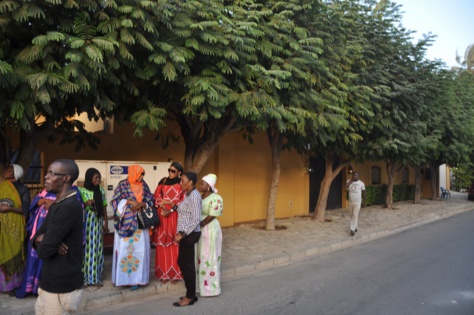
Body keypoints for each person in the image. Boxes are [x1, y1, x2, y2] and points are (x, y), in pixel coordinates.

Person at [32, 159, 84, 314]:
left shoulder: (68, 207)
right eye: (47, 172)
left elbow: (44, 251)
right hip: (50, 284)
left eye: (51, 173)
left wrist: (46, 240)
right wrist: (43, 239)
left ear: (66, 179)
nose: (46, 177)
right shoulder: (58, 204)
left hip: (62, 288)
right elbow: (34, 238)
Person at [111, 165, 155, 289]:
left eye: (143, 174)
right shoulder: (123, 185)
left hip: (141, 225)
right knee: (125, 250)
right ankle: (124, 280)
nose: (142, 177)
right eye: (141, 174)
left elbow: (152, 201)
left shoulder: (144, 186)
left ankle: (137, 280)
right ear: (134, 173)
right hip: (126, 224)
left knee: (140, 252)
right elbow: (115, 202)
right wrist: (129, 202)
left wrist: (143, 204)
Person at [15, 189, 56, 299]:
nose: (48, 178)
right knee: (34, 257)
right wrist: (42, 201)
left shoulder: (69, 190)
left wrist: (52, 203)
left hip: (53, 228)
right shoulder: (45, 192)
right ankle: (30, 287)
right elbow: (33, 205)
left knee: (47, 259)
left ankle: (42, 288)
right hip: (38, 228)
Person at [153, 162, 185, 284]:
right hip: (162, 216)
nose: (170, 173)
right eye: (169, 170)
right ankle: (163, 274)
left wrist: (171, 208)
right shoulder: (163, 181)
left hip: (175, 216)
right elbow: (156, 196)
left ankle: (175, 273)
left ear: (179, 173)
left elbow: (182, 201)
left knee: (174, 244)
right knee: (162, 245)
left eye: (173, 171)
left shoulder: (181, 184)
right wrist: (162, 204)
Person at [173, 172, 201, 307]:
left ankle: (190, 297)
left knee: (187, 265)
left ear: (190, 182)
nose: (180, 183)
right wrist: (171, 206)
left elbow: (196, 219)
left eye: (182, 180)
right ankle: (191, 293)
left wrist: (182, 235)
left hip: (190, 234)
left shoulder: (195, 196)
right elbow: (182, 209)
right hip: (185, 233)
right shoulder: (187, 194)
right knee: (182, 262)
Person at [78, 168, 108, 287]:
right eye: (95, 178)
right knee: (88, 249)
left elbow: (104, 206)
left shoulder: (100, 190)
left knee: (98, 248)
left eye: (99, 178)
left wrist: (105, 222)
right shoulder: (82, 191)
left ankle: (97, 278)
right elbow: (77, 205)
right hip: (88, 222)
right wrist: (86, 203)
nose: (98, 180)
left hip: (98, 220)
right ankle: (87, 278)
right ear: (89, 178)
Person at [0, 164, 26, 293]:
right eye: (7, 169)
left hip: (14, 229)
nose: (7, 171)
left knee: (14, 254)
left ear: (16, 173)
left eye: (10, 170)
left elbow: (26, 210)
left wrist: (9, 209)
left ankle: (12, 285)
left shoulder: (22, 189)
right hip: (1, 227)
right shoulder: (1, 186)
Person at [197, 174, 223, 297]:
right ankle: (200, 286)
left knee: (210, 256)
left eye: (202, 183)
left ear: (208, 186)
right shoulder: (200, 197)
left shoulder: (216, 197)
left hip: (210, 228)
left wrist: (201, 223)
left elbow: (214, 213)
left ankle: (211, 289)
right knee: (201, 256)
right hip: (200, 228)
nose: (200, 185)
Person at [345, 171, 366, 236]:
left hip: (357, 202)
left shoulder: (361, 183)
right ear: (352, 176)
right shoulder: (349, 181)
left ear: (358, 176)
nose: (355, 176)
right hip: (351, 201)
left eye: (356, 175)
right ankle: (356, 227)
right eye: (354, 175)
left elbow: (364, 192)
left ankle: (352, 229)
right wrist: (351, 181)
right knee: (351, 215)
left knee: (355, 215)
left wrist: (364, 202)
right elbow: (345, 187)